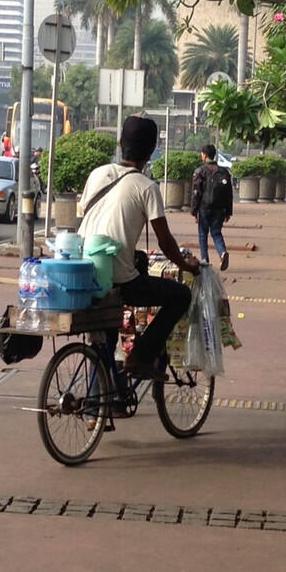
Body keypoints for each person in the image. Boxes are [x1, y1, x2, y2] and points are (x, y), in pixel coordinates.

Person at [78, 115, 200, 382]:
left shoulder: (98, 174)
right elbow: (165, 242)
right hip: (120, 279)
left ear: (121, 143)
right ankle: (141, 357)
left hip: (83, 270)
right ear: (152, 149)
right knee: (179, 295)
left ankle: (101, 408)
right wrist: (184, 264)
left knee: (106, 332)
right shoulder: (147, 187)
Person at [191, 144, 233, 271]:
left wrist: (194, 211)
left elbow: (196, 193)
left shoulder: (200, 171)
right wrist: (228, 212)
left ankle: (205, 261)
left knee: (203, 234)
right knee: (216, 233)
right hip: (219, 209)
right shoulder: (224, 172)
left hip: (204, 208)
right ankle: (222, 252)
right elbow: (229, 193)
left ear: (204, 155)